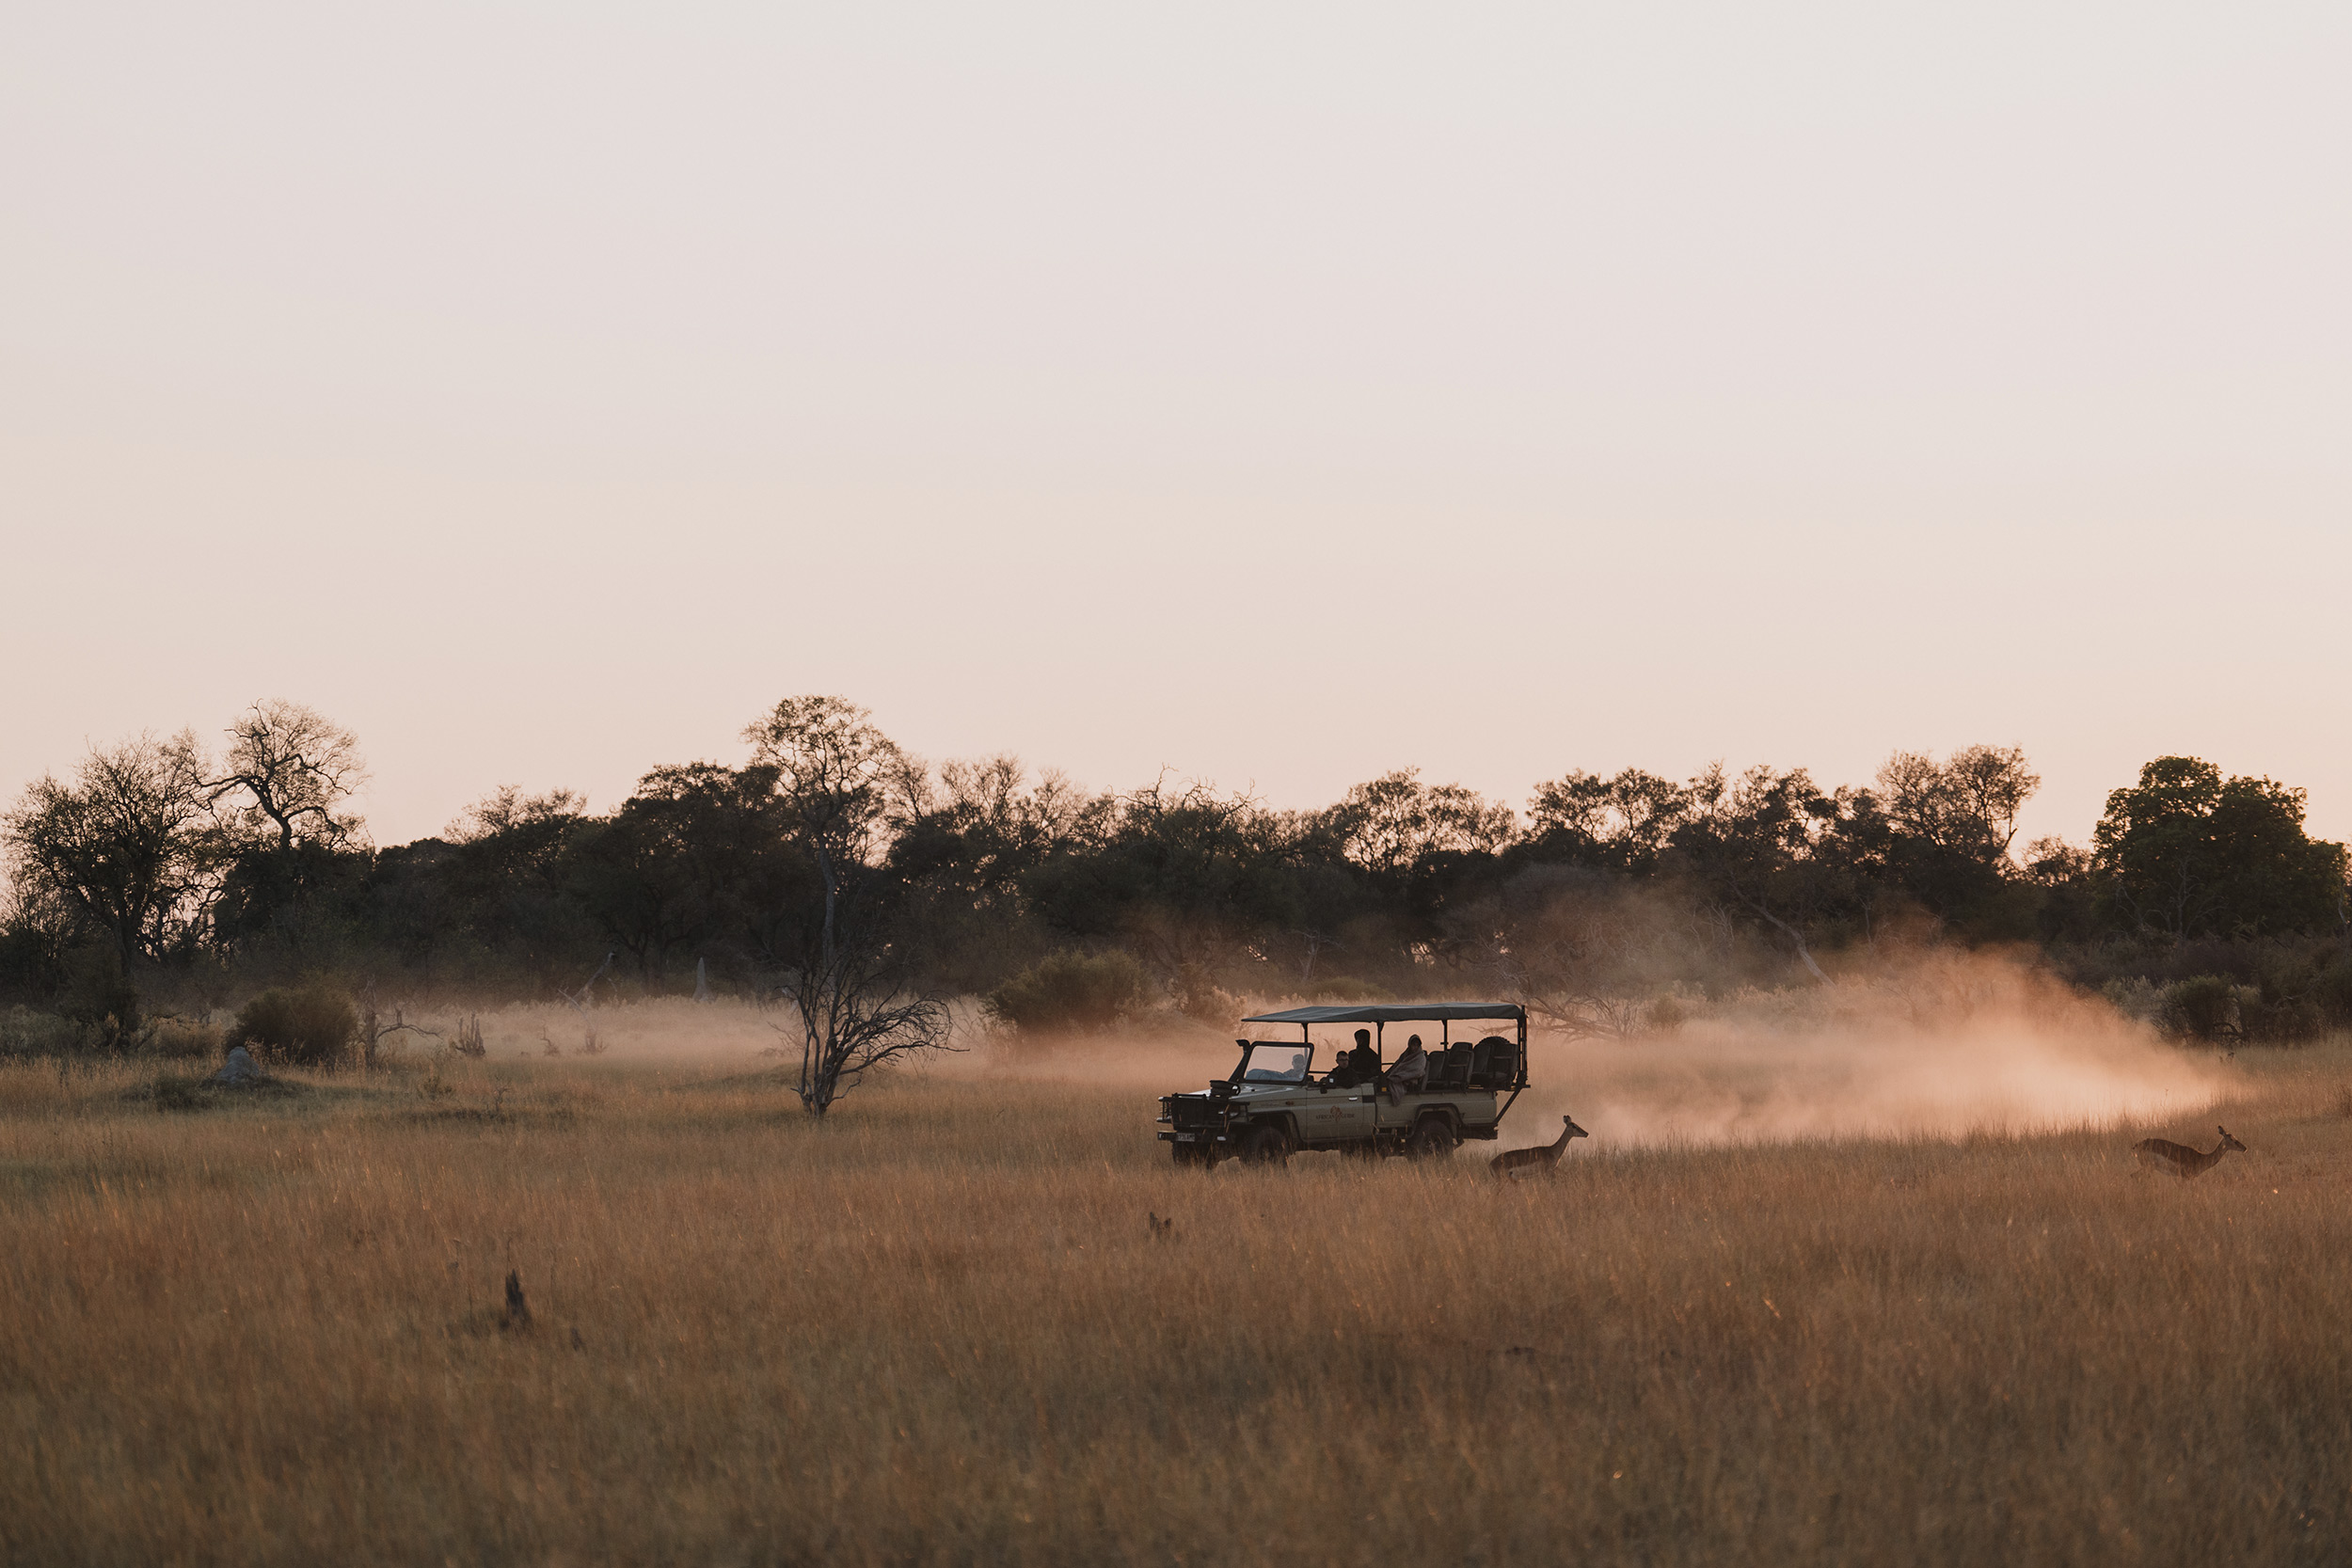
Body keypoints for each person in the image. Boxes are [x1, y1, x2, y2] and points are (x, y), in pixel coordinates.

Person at [1387, 1034, 1429, 1105]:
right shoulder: (1405, 1054)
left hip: (1411, 1080)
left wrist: (1401, 1076)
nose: (1415, 1047)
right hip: (1402, 1078)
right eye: (1413, 1045)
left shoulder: (1420, 1057)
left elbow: (1418, 1071)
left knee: (1393, 1082)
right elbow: (1397, 1066)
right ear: (1409, 1045)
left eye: (1417, 1045)